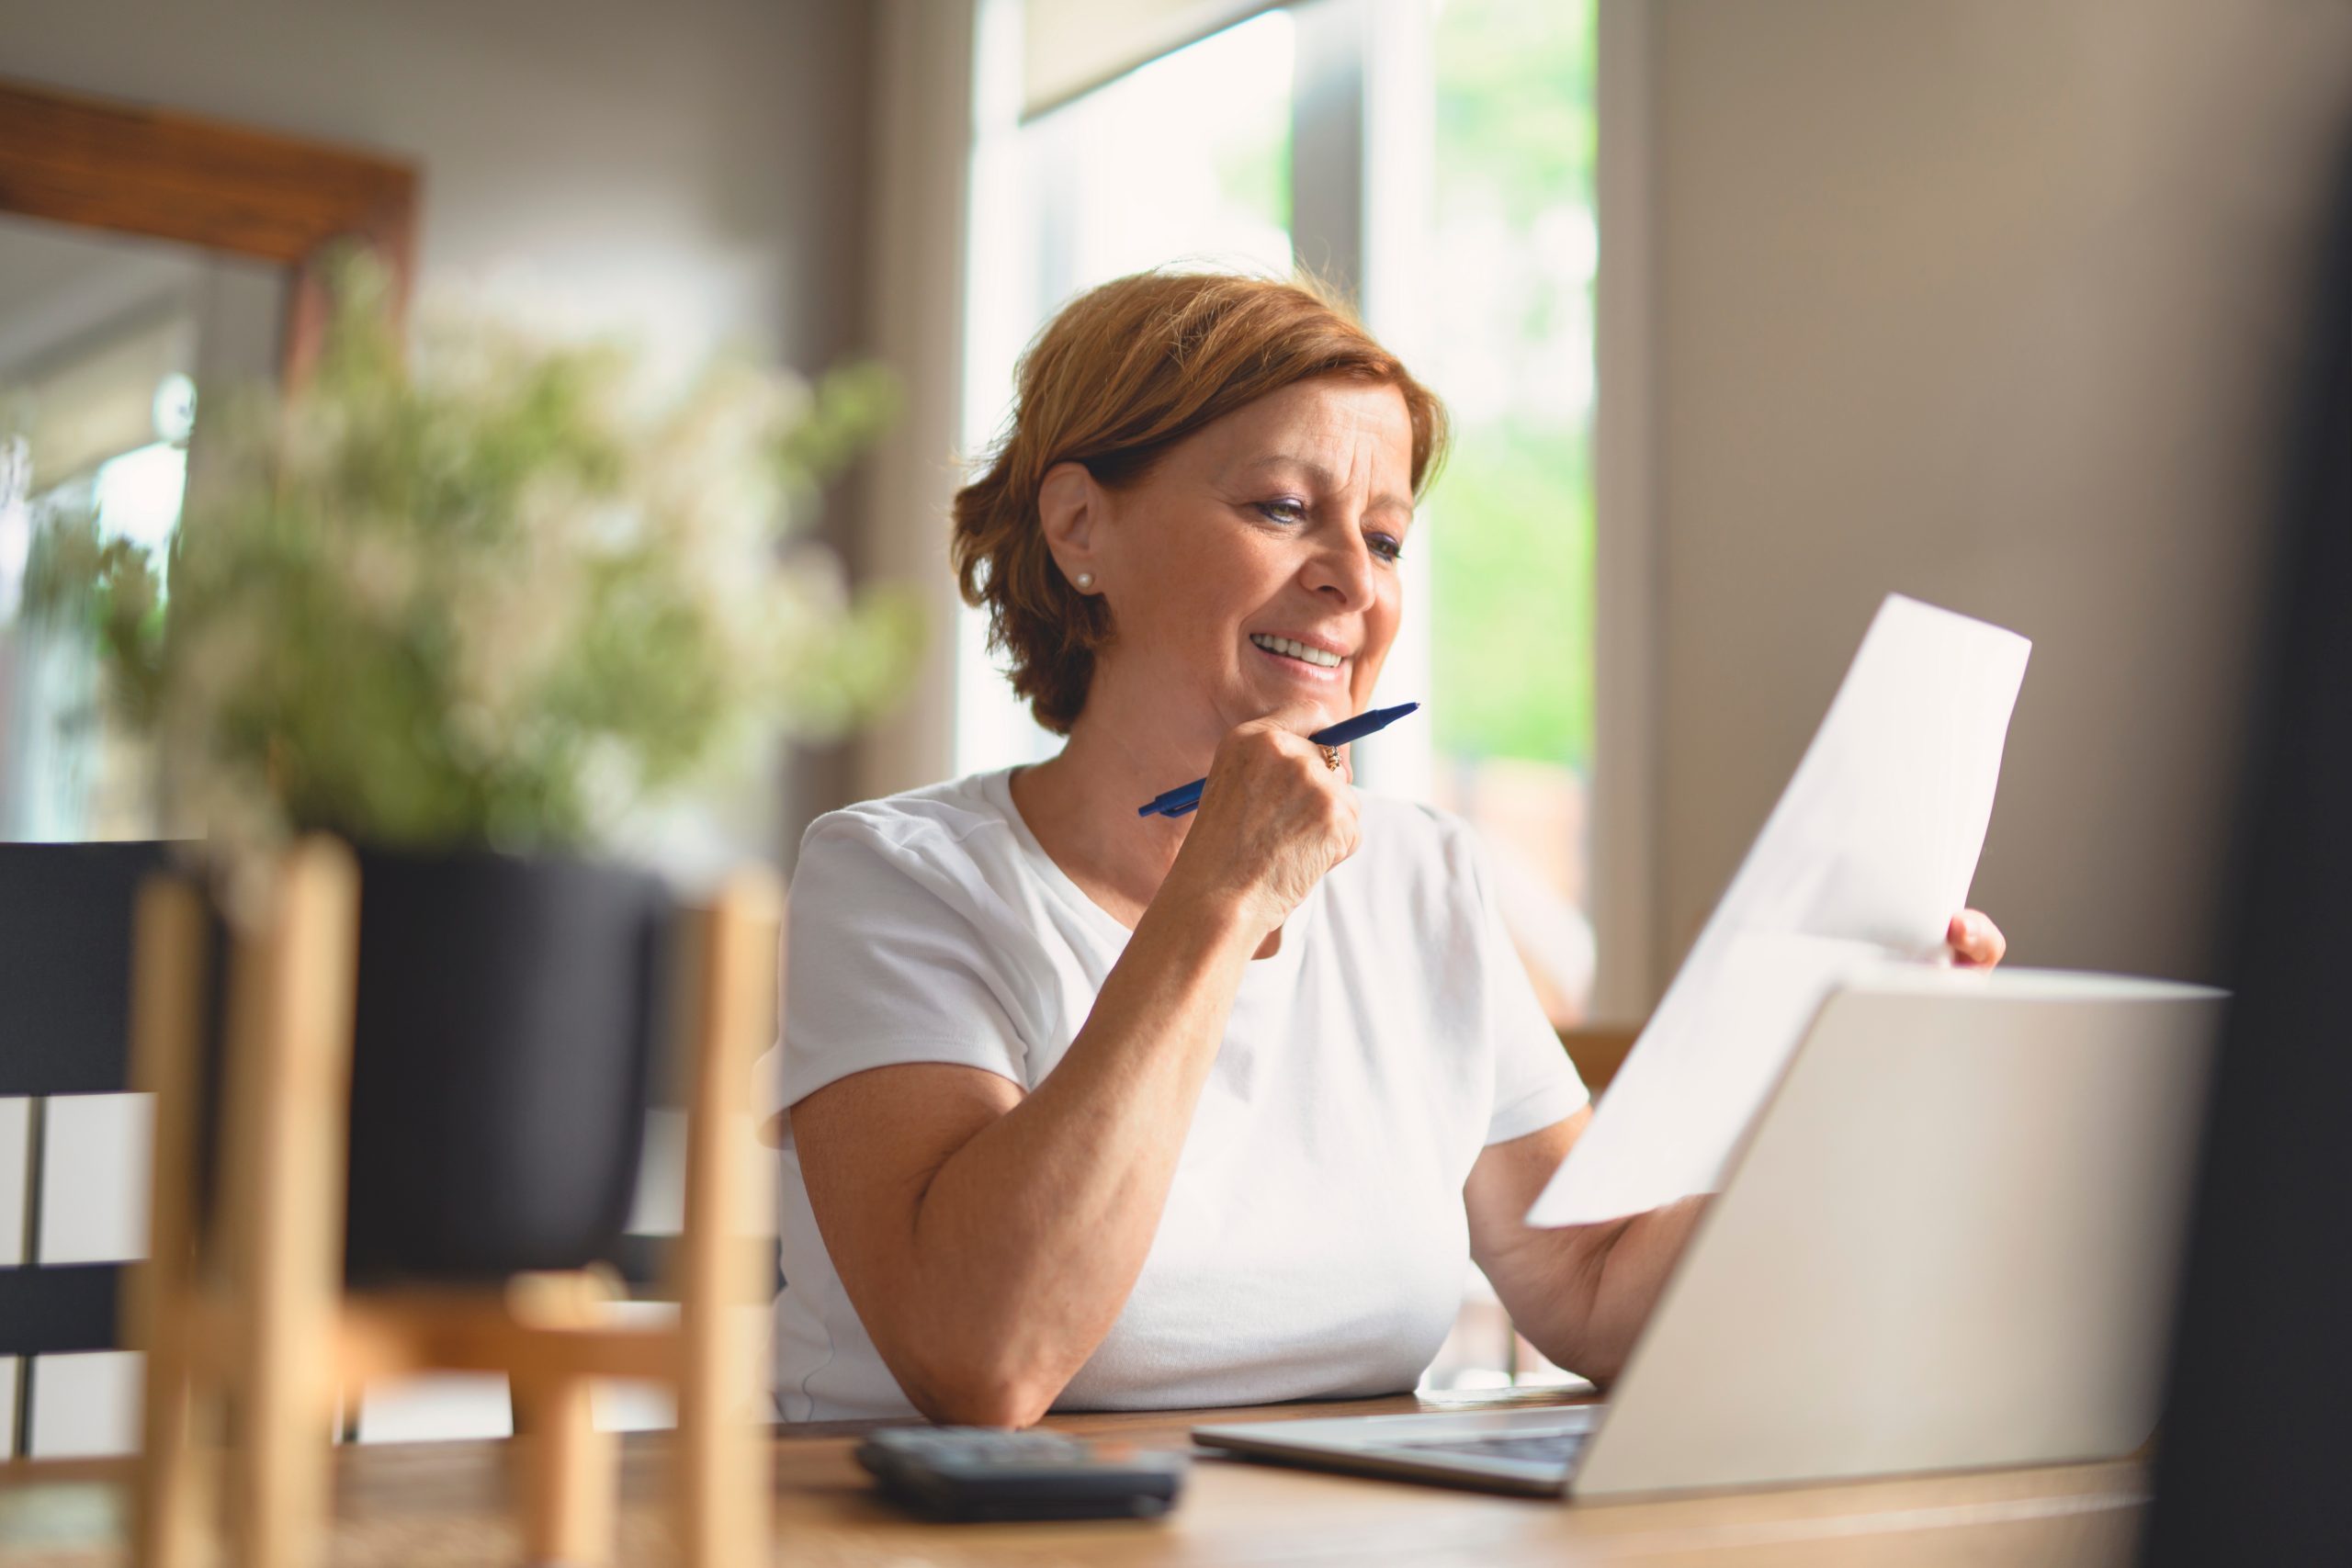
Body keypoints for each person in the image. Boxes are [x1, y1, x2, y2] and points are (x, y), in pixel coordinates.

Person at [766, 271, 2007, 1426]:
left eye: (1389, 537)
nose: (1354, 585)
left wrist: (1845, 1062)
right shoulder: (896, 878)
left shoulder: (1427, 879)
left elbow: (1592, 1282)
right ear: (1082, 527)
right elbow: (986, 1356)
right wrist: (1224, 894)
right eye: (1282, 510)